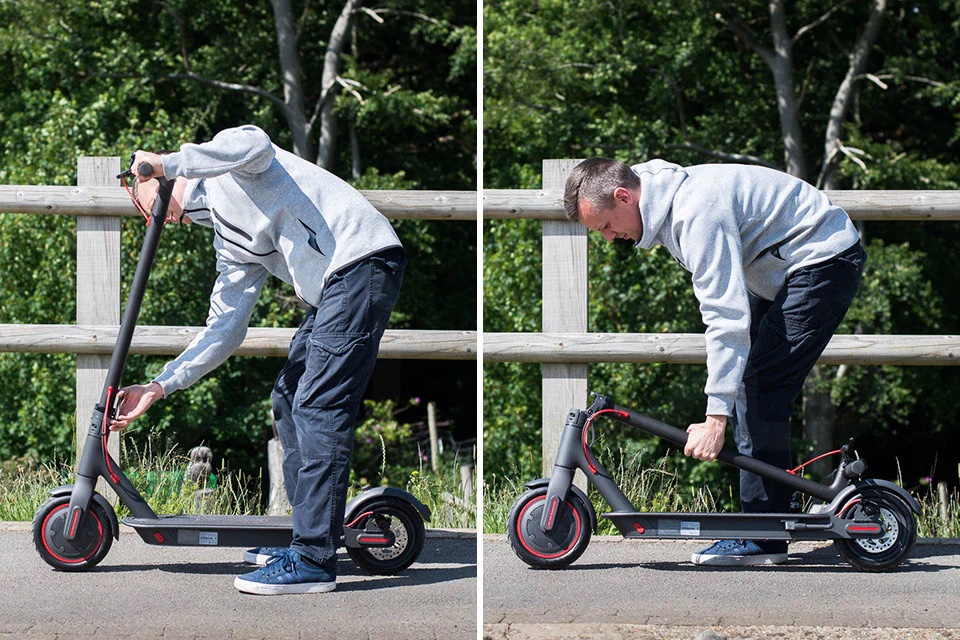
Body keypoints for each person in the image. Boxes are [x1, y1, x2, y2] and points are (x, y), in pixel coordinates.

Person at [110, 124, 406, 594]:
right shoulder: (229, 244)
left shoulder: (232, 166)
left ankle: (313, 560)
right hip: (333, 288)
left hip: (361, 262)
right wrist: (160, 385)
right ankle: (309, 539)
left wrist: (167, 162)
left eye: (138, 188)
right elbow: (224, 329)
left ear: (152, 177)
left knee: (317, 406)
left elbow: (254, 141)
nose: (148, 213)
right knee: (289, 400)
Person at [564, 157, 865, 566]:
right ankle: (777, 516)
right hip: (781, 267)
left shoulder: (695, 212)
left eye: (604, 226)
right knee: (756, 389)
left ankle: (763, 536)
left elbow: (726, 319)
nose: (609, 237)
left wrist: (715, 418)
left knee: (757, 387)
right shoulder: (655, 195)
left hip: (821, 259)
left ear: (623, 196)